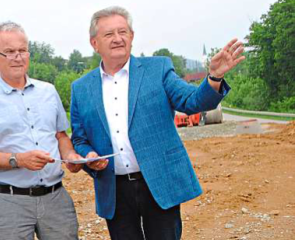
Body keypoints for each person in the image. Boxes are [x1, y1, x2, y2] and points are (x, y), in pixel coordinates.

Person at [68, 6, 245, 240]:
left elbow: (191, 101)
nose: (118, 38)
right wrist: (88, 154)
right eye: (109, 34)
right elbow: (79, 138)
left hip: (158, 182)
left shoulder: (157, 69)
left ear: (132, 37)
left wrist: (213, 77)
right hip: (114, 190)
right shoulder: (80, 88)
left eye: (123, 31)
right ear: (94, 43)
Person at [0, 21, 81, 240]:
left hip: (56, 198)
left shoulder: (48, 91)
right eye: (9, 52)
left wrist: (71, 156)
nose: (18, 57)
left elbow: (60, 136)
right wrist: (18, 159)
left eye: (22, 50)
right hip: (9, 202)